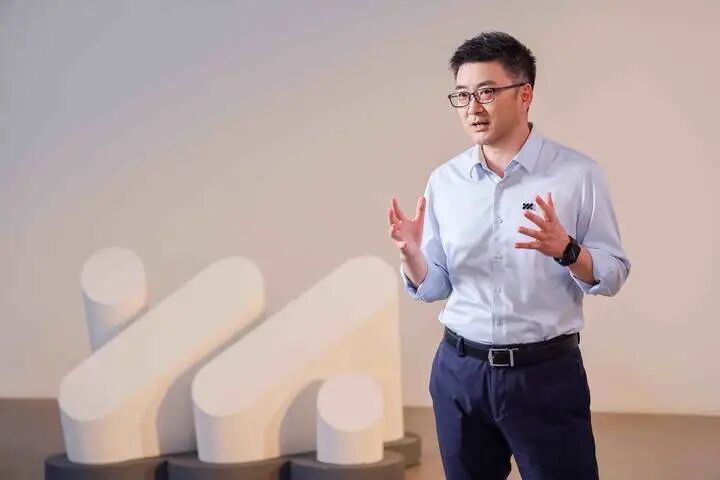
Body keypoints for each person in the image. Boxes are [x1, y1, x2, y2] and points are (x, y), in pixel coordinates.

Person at [387, 31, 630, 480]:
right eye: (462, 95)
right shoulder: (445, 181)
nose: (472, 108)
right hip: (460, 372)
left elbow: (613, 273)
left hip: (545, 376)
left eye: (486, 92)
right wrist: (412, 256)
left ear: (525, 95)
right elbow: (435, 285)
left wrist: (567, 250)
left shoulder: (576, 175)